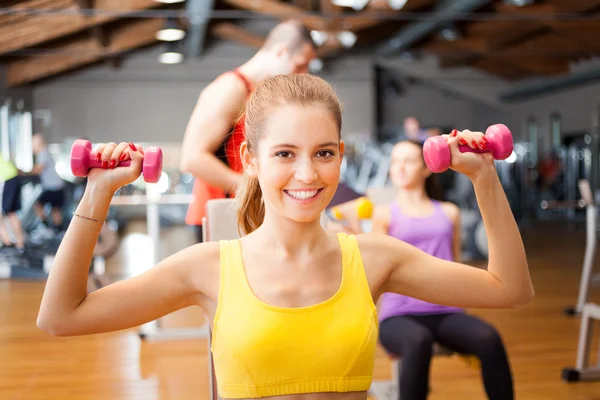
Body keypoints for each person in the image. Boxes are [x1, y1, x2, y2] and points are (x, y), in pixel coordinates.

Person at [37, 74, 533, 400]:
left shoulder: (375, 258)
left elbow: (509, 289)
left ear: (340, 154)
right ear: (250, 158)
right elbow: (61, 316)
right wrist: (97, 192)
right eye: (284, 154)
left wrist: (485, 179)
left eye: (323, 153)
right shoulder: (208, 266)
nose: (307, 174)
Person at [371, 139, 514, 400]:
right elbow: (376, 273)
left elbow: (454, 264)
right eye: (395, 161)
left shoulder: (449, 213)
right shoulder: (383, 215)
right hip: (399, 315)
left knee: (489, 338)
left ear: (427, 168)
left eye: (408, 161)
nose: (399, 167)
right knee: (417, 341)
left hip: (445, 309)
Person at [179, 19, 317, 243]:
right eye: (300, 65)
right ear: (281, 52)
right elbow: (192, 159)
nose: (303, 74)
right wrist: (255, 187)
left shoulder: (262, 96)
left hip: (248, 213)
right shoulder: (230, 88)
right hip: (220, 214)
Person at [29, 133, 66, 231]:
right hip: (58, 186)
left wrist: (24, 172)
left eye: (33, 143)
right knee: (55, 210)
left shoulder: (43, 153)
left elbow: (39, 168)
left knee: (38, 205)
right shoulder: (45, 152)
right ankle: (58, 231)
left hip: (53, 187)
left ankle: (46, 228)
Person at [0, 153, 25, 252]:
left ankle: (7, 243)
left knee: (6, 214)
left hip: (6, 179)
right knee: (12, 213)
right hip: (13, 177)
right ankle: (20, 245)